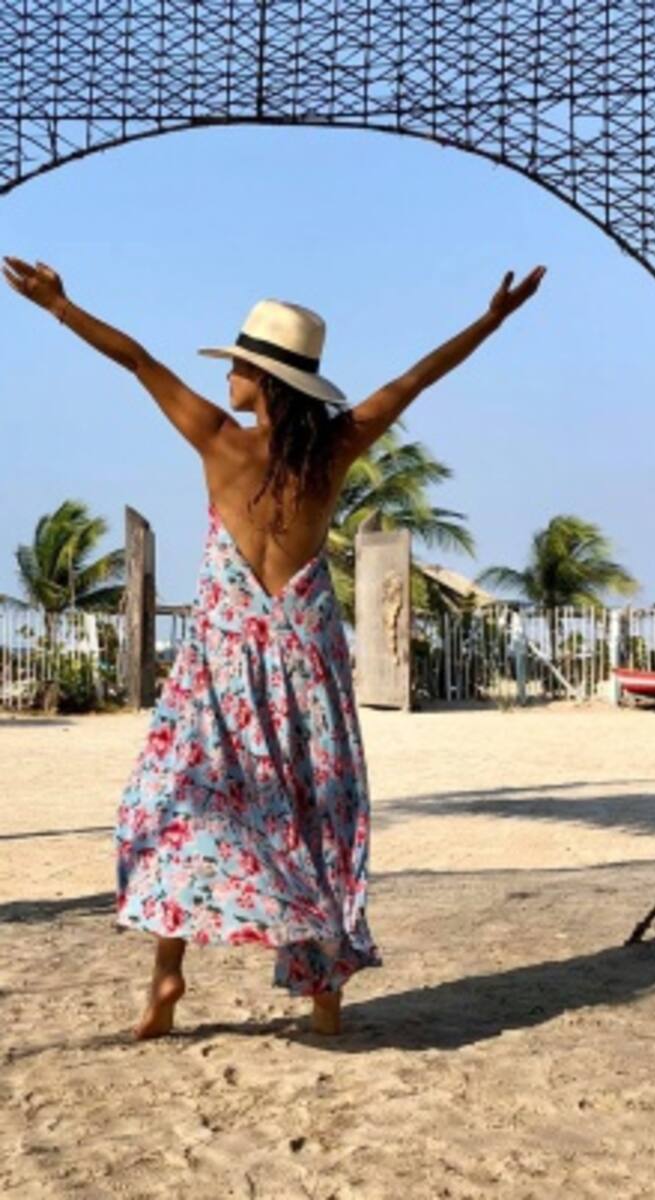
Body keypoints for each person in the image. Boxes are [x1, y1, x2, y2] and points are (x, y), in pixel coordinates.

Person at [2, 253, 546, 1038]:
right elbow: (415, 380)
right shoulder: (334, 449)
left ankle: (168, 975)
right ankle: (325, 998)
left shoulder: (218, 441)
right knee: (313, 814)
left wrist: (61, 307)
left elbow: (138, 361)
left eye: (236, 367)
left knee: (180, 805)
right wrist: (490, 323)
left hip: (220, 671)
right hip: (305, 667)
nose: (227, 378)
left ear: (262, 378)